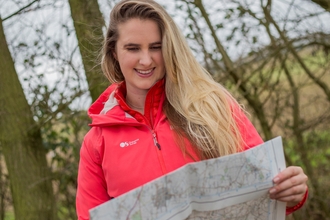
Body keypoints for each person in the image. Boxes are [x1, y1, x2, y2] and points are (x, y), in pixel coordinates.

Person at [76, 0, 308, 219]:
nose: (146, 60)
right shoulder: (97, 142)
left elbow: (266, 184)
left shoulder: (212, 105)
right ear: (114, 52)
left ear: (170, 49)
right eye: (133, 48)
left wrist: (291, 191)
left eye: (156, 47)